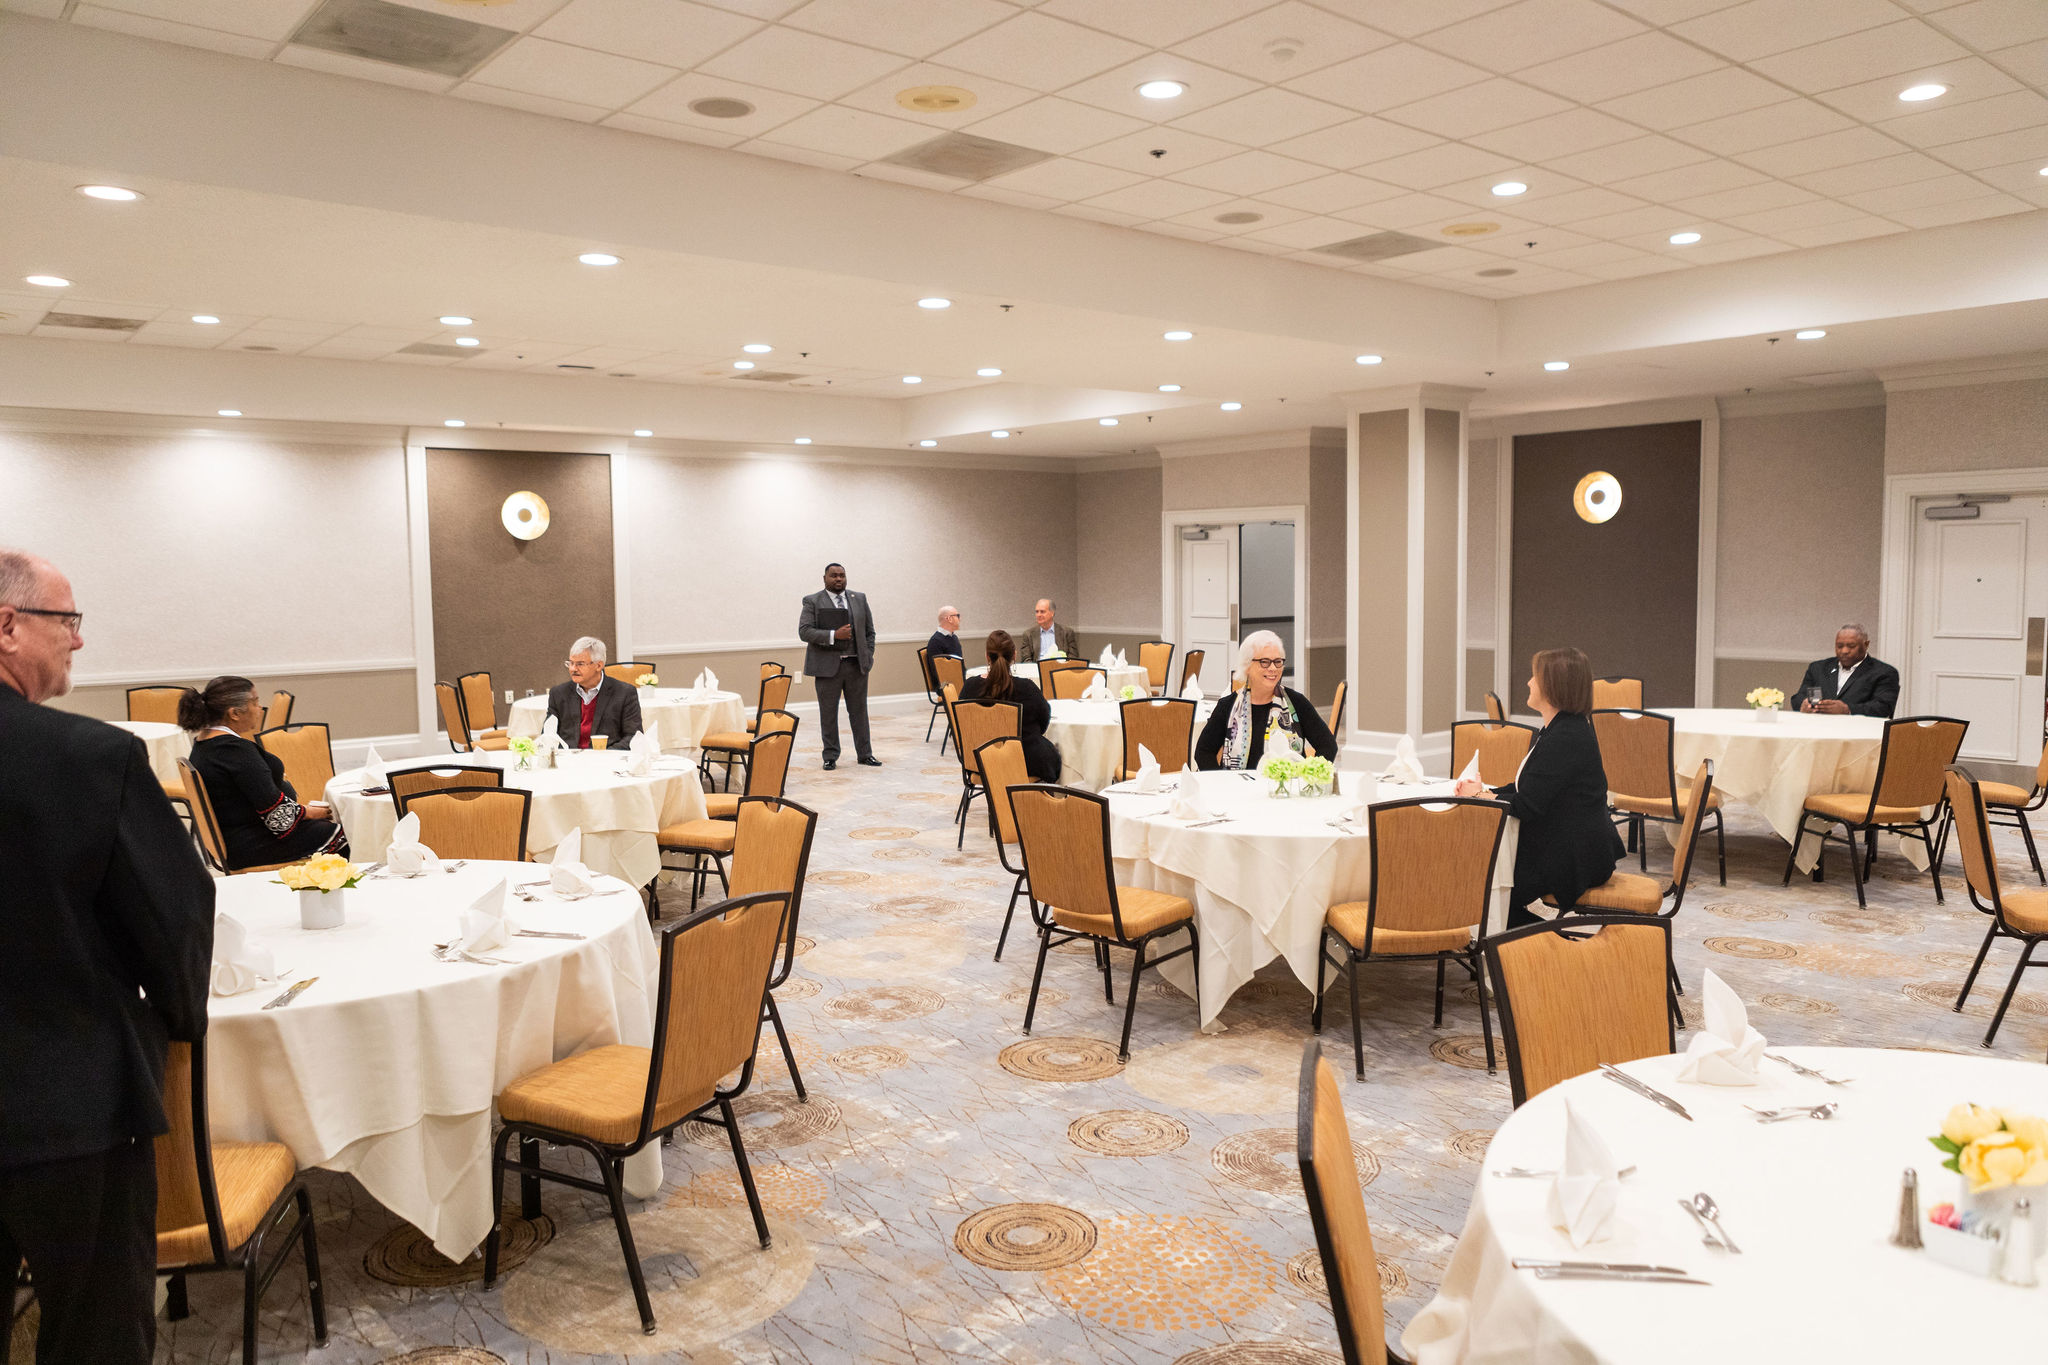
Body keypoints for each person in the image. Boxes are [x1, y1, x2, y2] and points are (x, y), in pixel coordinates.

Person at [0, 549, 213, 1364]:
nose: (79, 642)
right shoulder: (91, 758)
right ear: (10, 626)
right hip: (64, 1103)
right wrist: (178, 1022)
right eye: (69, 621)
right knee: (96, 1327)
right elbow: (176, 915)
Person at [1456, 646, 1626, 929]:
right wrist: (1489, 792)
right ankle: (1522, 946)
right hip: (1566, 845)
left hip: (1573, 858)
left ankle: (1545, 947)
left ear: (1552, 686)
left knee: (1481, 884)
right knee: (1483, 876)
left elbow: (1527, 806)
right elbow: (1530, 789)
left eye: (1534, 676)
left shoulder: (1566, 737)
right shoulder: (1561, 728)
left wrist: (1480, 796)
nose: (1529, 682)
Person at [183, 675, 348, 867]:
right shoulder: (234, 751)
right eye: (255, 702)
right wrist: (309, 812)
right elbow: (278, 817)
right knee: (347, 835)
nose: (260, 709)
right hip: (252, 844)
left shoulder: (204, 742)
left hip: (238, 836)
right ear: (235, 713)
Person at [1196, 630, 1337, 770]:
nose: (1273, 668)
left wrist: (1308, 776)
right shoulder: (1227, 706)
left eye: (1277, 662)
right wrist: (1220, 782)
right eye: (1264, 662)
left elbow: (1328, 746)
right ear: (1247, 666)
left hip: (1286, 788)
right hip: (1239, 790)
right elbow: (1203, 752)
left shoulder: (1297, 703)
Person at [799, 562, 879, 770]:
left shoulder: (859, 598)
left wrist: (868, 655)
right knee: (828, 713)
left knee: (859, 712)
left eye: (842, 575)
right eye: (833, 575)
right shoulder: (813, 601)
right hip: (827, 668)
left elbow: (870, 632)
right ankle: (830, 756)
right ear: (824, 578)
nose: (838, 579)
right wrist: (835, 635)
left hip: (856, 666)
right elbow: (805, 632)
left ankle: (865, 754)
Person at [960, 629, 1061, 782]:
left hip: (979, 762)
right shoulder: (1027, 688)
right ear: (1014, 655)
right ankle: (1040, 804)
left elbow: (962, 727)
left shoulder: (969, 687)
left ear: (987, 656)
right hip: (1023, 762)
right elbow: (1043, 721)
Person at [545, 636, 644, 749]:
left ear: (599, 665)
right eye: (571, 663)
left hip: (607, 760)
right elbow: (548, 735)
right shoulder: (558, 694)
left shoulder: (624, 693)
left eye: (580, 664)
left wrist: (602, 756)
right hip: (569, 760)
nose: (573, 669)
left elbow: (634, 737)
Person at [1793, 623, 1899, 717]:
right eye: (1839, 646)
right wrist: (1804, 704)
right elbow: (1798, 698)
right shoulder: (1818, 668)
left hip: (1860, 733)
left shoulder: (1884, 672)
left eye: (1851, 646)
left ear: (1866, 645)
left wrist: (1847, 709)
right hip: (1818, 728)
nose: (1844, 651)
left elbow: (1883, 707)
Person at [1016, 598, 1078, 663]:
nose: (1038, 615)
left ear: (1052, 613)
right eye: (1037, 612)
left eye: (1042, 612)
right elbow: (1026, 659)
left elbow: (1073, 658)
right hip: (1036, 670)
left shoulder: (1067, 633)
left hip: (1060, 670)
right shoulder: (1028, 634)